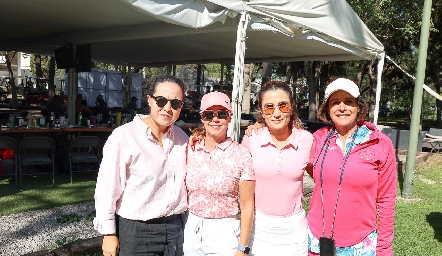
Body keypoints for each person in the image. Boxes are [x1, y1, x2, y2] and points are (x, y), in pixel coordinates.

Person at [93, 75, 189, 256]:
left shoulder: (182, 138)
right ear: (150, 100)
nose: (167, 108)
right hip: (138, 230)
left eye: (175, 104)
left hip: (176, 228)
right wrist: (108, 233)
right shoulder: (124, 136)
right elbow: (107, 188)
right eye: (161, 100)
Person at [306, 78, 397, 256]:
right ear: (327, 109)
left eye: (348, 101)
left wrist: (384, 248)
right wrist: (260, 126)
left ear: (358, 106)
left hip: (360, 246)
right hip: (317, 243)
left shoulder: (379, 143)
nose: (342, 107)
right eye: (335, 102)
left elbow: (386, 200)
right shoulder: (317, 140)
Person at [242, 81, 314, 255]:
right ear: (261, 111)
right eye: (269, 107)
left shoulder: (307, 140)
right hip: (259, 228)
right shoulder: (251, 139)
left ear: (291, 107)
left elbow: (323, 178)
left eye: (282, 106)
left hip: (294, 230)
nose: (276, 113)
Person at [184, 92, 256, 256]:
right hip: (192, 228)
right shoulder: (191, 149)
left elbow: (246, 206)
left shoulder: (241, 155)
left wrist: (242, 247)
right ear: (202, 118)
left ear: (229, 117)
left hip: (224, 232)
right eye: (209, 114)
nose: (215, 119)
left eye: (221, 114)